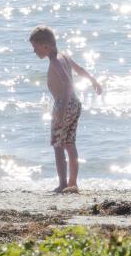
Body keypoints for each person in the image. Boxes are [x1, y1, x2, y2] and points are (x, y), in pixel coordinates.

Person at [28, 26, 103, 193]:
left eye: (35, 47)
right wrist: (93, 81)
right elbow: (80, 70)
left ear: (46, 46)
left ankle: (63, 183)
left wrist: (62, 109)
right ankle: (73, 183)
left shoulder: (55, 61)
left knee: (58, 145)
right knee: (70, 143)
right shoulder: (66, 57)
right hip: (75, 104)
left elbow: (67, 82)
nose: (34, 51)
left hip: (64, 104)